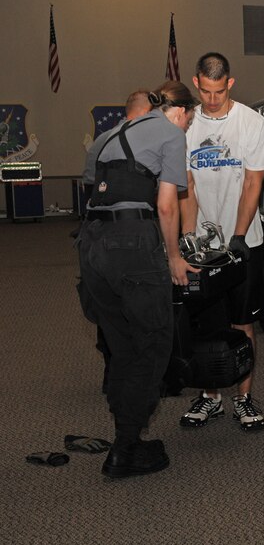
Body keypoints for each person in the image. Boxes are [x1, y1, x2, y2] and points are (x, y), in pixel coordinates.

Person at [77, 80, 199, 478]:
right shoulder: (170, 133)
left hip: (91, 244)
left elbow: (92, 184)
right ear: (181, 112)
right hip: (132, 245)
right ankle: (126, 448)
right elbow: (166, 206)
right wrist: (174, 258)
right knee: (154, 343)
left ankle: (124, 434)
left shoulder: (111, 133)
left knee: (122, 344)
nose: (186, 126)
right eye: (189, 120)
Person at [179, 52, 264, 431]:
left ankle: (244, 398)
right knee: (202, 323)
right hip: (203, 242)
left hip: (242, 241)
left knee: (242, 324)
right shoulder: (185, 124)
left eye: (219, 91)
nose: (212, 100)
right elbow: (187, 186)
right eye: (206, 91)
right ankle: (210, 397)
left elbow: (253, 183)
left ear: (229, 84)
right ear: (196, 83)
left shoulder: (251, 123)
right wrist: (188, 237)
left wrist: (237, 236)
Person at [82, 89, 154, 394]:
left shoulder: (103, 140)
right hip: (135, 236)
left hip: (98, 236)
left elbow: (90, 185)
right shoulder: (148, 141)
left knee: (108, 307)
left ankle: (113, 373)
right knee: (140, 306)